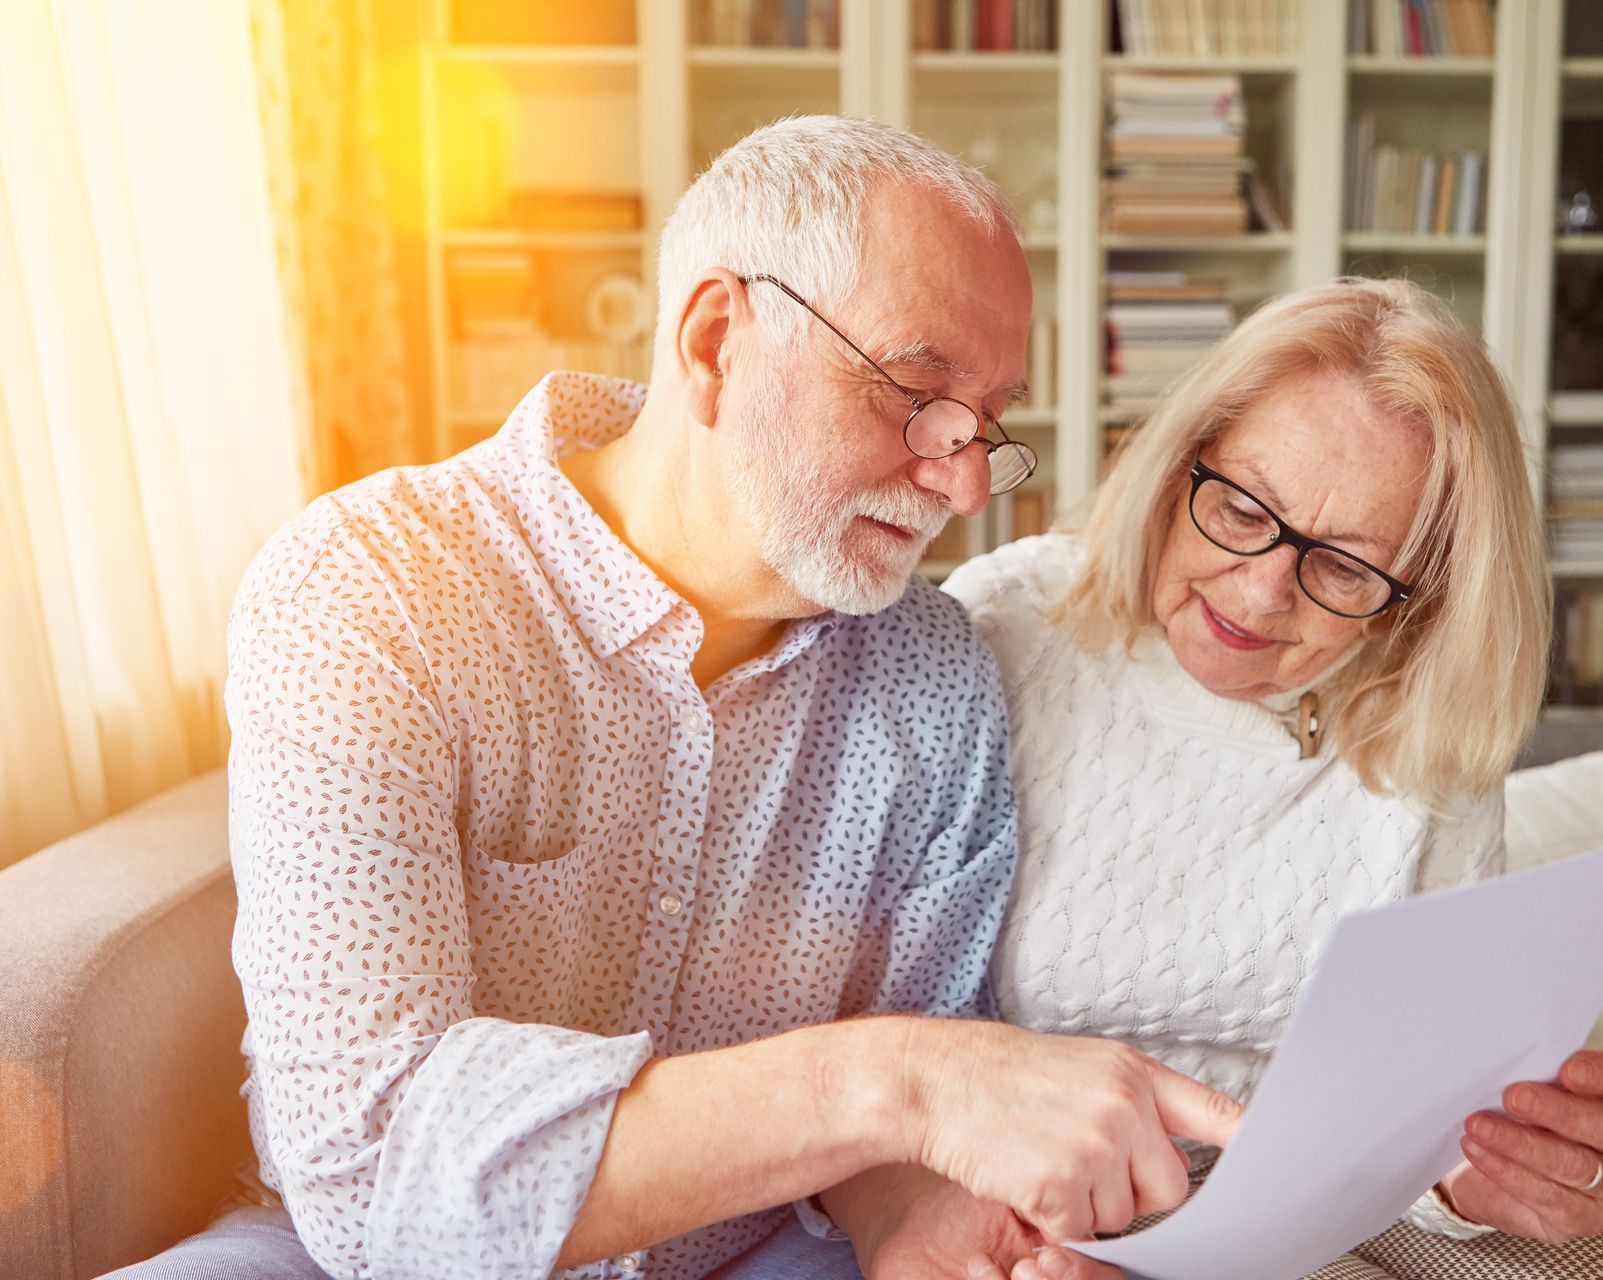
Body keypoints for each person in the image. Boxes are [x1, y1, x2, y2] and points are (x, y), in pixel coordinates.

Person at [105, 116, 1241, 1280]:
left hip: (751, 1253)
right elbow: (372, 1178)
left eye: (985, 421)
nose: (959, 480)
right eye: (914, 392)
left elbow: (888, 1138)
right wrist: (900, 1080)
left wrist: (910, 1210)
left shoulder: (933, 677)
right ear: (714, 340)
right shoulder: (374, 588)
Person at [818, 279, 1603, 1280]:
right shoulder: (1010, 627)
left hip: (1348, 1186)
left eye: (1347, 567)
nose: (1263, 590)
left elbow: (1419, 1105)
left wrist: (1477, 1169)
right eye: (1241, 507)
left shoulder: (1423, 726)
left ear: (1419, 596)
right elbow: (855, 1015)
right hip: (1072, 1180)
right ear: (1184, 459)